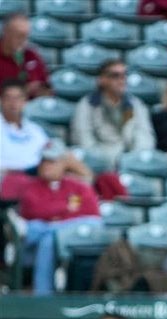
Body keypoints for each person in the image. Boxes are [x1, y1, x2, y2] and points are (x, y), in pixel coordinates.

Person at [11, 140, 101, 295]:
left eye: (52, 161)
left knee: (51, 236)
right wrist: (67, 211)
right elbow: (35, 211)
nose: (46, 165)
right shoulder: (31, 187)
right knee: (45, 236)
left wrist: (55, 220)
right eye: (44, 161)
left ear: (64, 163)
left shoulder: (77, 186)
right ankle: (43, 296)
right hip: (32, 242)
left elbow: (93, 214)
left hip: (63, 239)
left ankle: (43, 295)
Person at [69, 60, 155, 171]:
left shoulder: (135, 104)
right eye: (115, 76)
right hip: (100, 164)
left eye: (124, 76)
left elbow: (145, 135)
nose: (121, 80)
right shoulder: (87, 105)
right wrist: (104, 161)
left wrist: (134, 159)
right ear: (101, 80)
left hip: (131, 161)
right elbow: (83, 138)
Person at [0, 78, 48, 177]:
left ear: (25, 101)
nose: (13, 103)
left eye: (18, 98)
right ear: (2, 100)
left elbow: (48, 153)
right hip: (6, 177)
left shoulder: (35, 130)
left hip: (35, 177)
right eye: (8, 98)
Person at [0, 13, 49, 98]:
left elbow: (47, 87)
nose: (23, 40)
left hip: (32, 108)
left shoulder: (32, 56)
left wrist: (42, 90)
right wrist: (24, 91)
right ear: (6, 32)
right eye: (19, 35)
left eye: (26, 36)